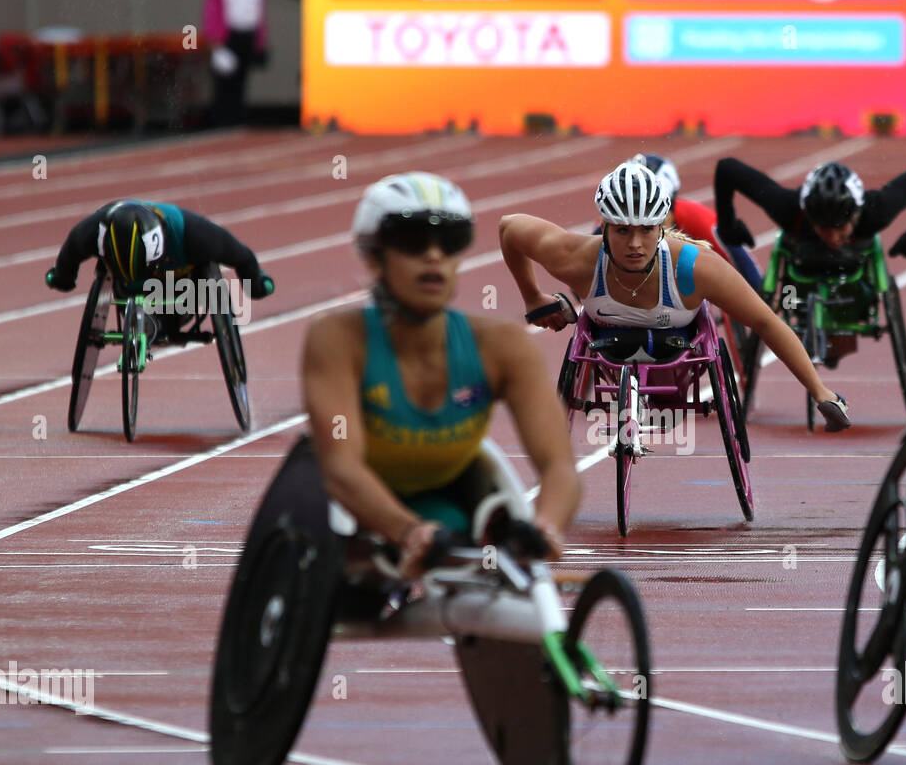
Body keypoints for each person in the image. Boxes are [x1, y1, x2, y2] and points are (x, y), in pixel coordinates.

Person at [301, 172, 581, 578]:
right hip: (346, 510)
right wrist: (409, 532)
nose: (434, 256)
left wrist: (546, 525)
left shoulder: (504, 346)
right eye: (413, 242)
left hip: (449, 504)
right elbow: (341, 468)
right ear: (374, 257)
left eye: (449, 243)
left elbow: (560, 468)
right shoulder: (337, 339)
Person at [498, 161, 852, 430]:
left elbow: (764, 321)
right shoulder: (574, 256)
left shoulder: (696, 267)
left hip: (680, 350)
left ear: (662, 226)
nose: (635, 244)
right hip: (606, 342)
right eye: (622, 231)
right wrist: (533, 298)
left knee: (673, 396)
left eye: (646, 230)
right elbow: (509, 227)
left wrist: (819, 391)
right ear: (603, 226)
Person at [45, 199, 274, 335]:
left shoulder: (194, 234)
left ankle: (163, 319)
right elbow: (70, 253)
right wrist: (62, 277)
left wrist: (255, 284)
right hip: (126, 290)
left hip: (181, 290)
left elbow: (241, 256)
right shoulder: (92, 232)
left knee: (173, 315)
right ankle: (142, 315)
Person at [714, 156, 906, 277]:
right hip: (803, 252)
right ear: (809, 216)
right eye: (824, 228)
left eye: (840, 228)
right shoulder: (788, 209)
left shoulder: (876, 211)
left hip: (855, 255)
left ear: (855, 215)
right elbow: (726, 168)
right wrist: (727, 224)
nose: (833, 237)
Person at [629, 153, 763, 292]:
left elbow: (742, 262)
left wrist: (761, 300)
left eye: (657, 212)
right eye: (635, 213)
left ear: (670, 203)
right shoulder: (613, 226)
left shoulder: (695, 217)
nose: (648, 222)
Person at [203, 0, 270, 127]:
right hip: (227, 36)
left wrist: (261, 41)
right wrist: (216, 44)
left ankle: (237, 121)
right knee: (225, 84)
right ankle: (222, 122)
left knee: (241, 81)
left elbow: (259, 13)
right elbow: (212, 10)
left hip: (248, 35)